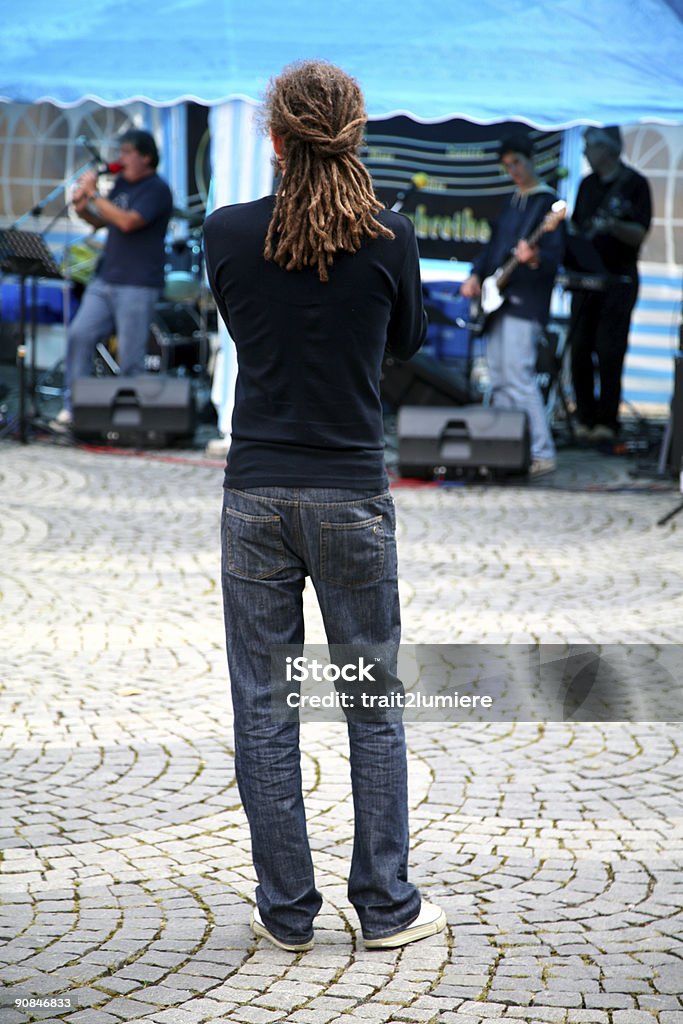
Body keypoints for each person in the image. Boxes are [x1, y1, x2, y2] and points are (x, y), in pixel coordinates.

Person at [203, 60, 445, 953]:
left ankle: (287, 913)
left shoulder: (225, 232)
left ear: (273, 138)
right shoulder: (391, 236)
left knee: (264, 707)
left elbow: (243, 320)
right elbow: (408, 341)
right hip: (350, 492)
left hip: (255, 493)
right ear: (356, 134)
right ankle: (385, 910)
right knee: (371, 705)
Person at [51, 129, 173, 429]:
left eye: (127, 152)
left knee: (131, 356)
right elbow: (104, 221)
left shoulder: (156, 189)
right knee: (80, 335)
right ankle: (74, 407)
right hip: (105, 279)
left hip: (138, 283)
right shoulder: (120, 184)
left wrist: (94, 194)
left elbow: (128, 222)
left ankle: (127, 420)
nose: (120, 158)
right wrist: (82, 207)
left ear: (146, 156)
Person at [460, 136, 565, 477]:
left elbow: (555, 258)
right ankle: (508, 449)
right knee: (500, 378)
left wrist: (534, 259)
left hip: (527, 303)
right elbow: (493, 249)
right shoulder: (512, 202)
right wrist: (476, 274)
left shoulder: (545, 202)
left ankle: (541, 450)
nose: (513, 171)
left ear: (531, 159)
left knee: (518, 375)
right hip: (499, 301)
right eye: (507, 166)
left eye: (517, 162)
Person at [567, 126, 652, 442]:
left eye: (590, 145)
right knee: (579, 349)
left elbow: (641, 232)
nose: (586, 151)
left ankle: (607, 421)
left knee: (610, 350)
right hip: (587, 280)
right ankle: (584, 419)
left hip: (619, 278)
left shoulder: (635, 184)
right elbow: (576, 227)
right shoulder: (587, 185)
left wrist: (614, 226)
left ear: (608, 149)